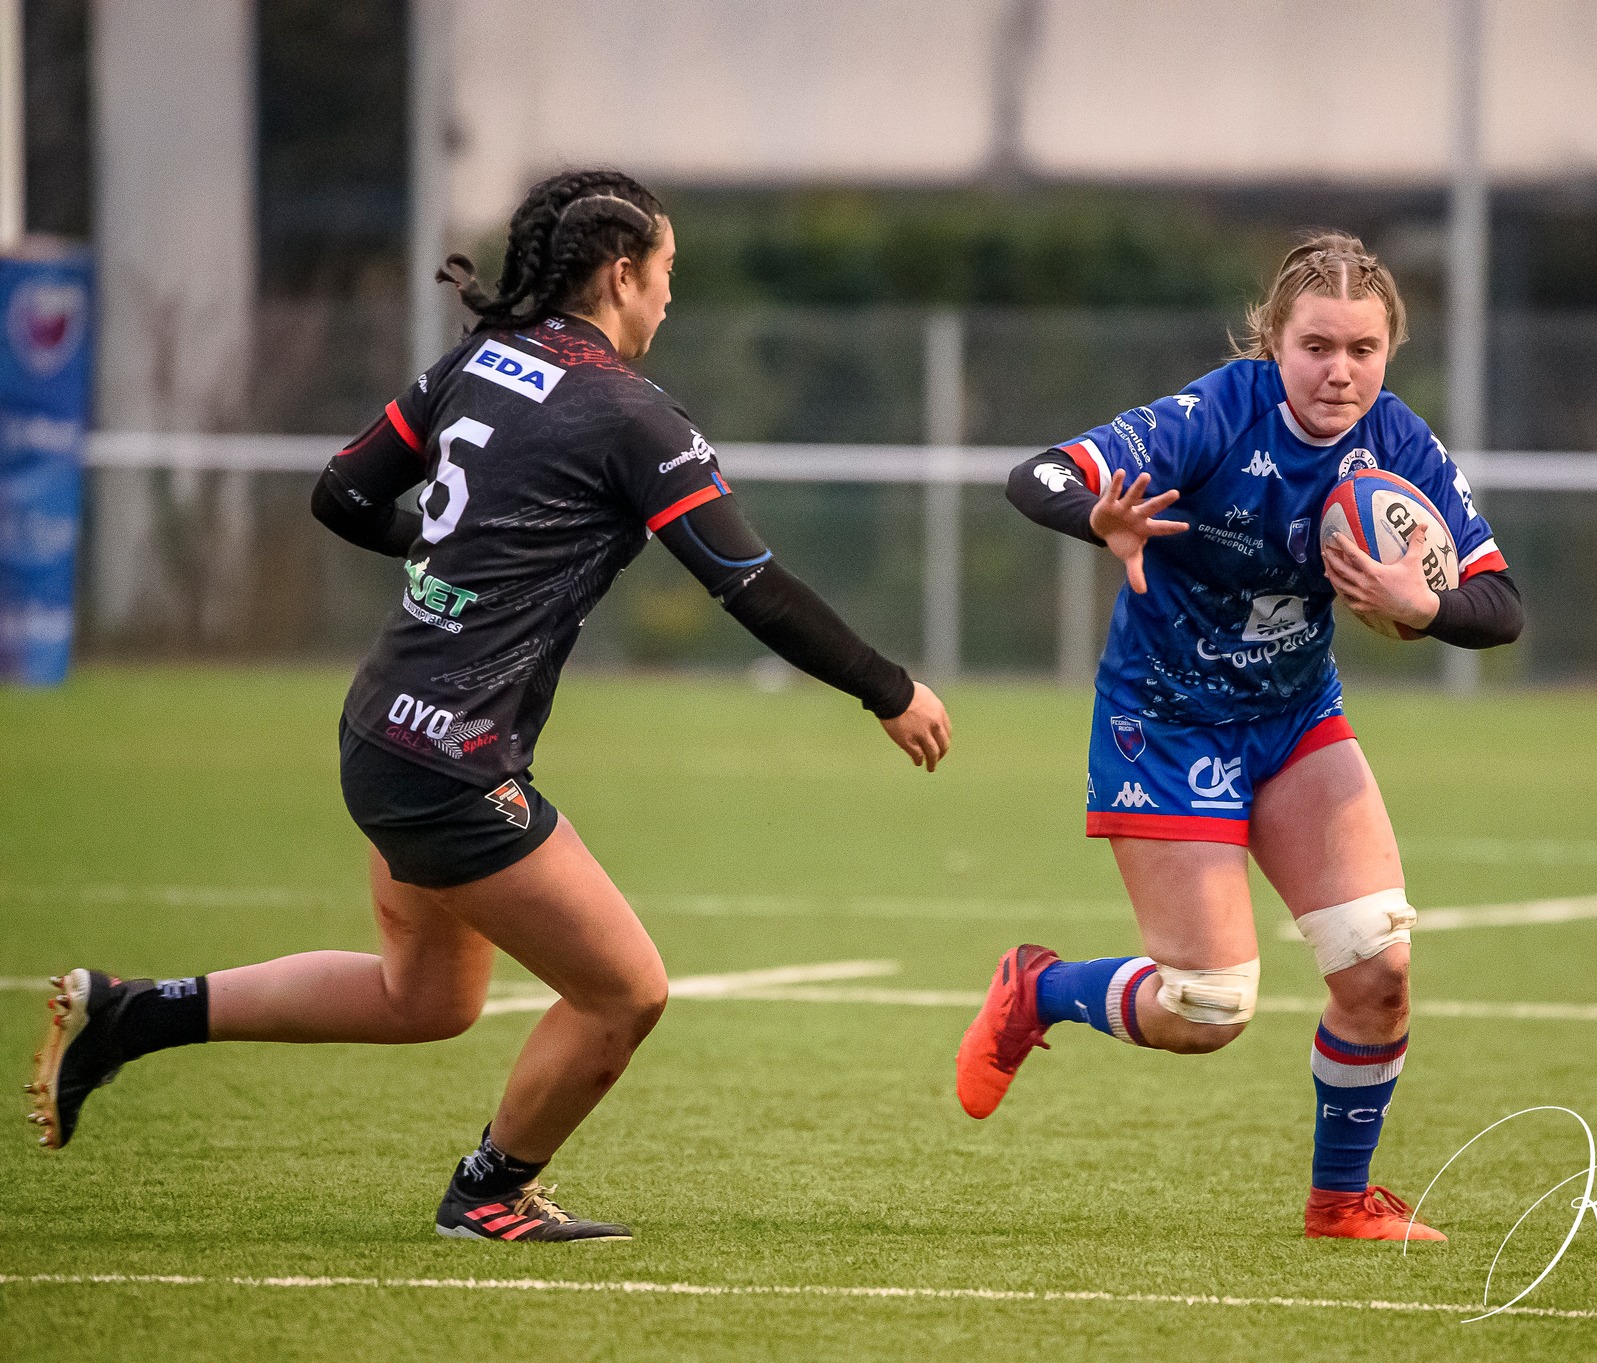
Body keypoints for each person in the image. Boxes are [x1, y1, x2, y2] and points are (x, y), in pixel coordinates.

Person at [28, 170, 951, 1243]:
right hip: (451, 760)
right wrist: (888, 689)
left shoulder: (482, 359)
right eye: (665, 276)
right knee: (625, 993)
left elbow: (344, 493)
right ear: (619, 273)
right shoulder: (629, 415)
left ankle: (134, 1014)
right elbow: (749, 583)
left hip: (384, 724)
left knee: (425, 1001)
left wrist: (447, 553)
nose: (667, 300)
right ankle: (488, 1192)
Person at [956, 232, 1520, 1241]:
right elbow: (1033, 476)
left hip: (1295, 720)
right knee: (1207, 1007)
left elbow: (1500, 604)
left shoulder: (1398, 444)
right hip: (1163, 725)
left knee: (1377, 971)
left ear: (1389, 349)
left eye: (1361, 347)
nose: (1338, 371)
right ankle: (1038, 989)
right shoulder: (1212, 415)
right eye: (1315, 346)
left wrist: (1419, 603)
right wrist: (1099, 516)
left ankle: (1338, 1201)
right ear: (1274, 342)